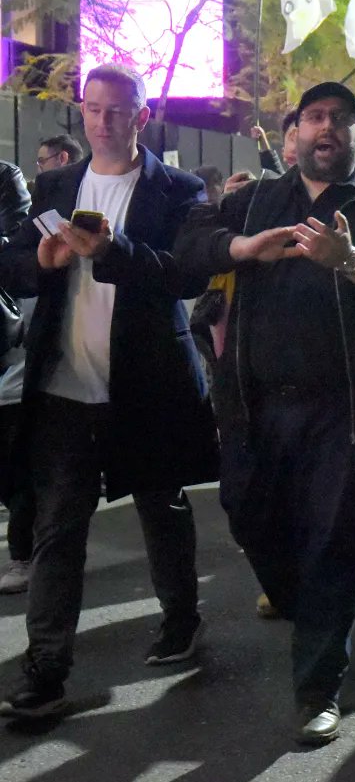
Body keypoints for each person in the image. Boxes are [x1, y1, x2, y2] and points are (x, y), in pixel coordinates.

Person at [175, 80, 355, 745]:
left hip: (347, 413)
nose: (327, 129)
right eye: (315, 118)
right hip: (257, 407)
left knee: (332, 542)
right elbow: (192, 243)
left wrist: (352, 260)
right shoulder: (259, 197)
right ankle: (306, 605)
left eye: (340, 120)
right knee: (248, 515)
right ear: (295, 134)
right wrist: (242, 247)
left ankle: (318, 686)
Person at [0, 63, 218, 720]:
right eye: (92, 109)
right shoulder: (56, 184)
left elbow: (184, 277)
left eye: (116, 110)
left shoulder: (176, 190)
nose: (102, 121)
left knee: (161, 508)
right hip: (65, 385)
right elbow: (11, 262)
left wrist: (113, 249)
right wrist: (39, 262)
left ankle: (180, 616)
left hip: (144, 388)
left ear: (141, 117)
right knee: (57, 528)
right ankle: (47, 668)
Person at [0, 157, 32, 593]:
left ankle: (24, 553)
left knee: (14, 466)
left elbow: (14, 245)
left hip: (12, 353)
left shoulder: (5, 177)